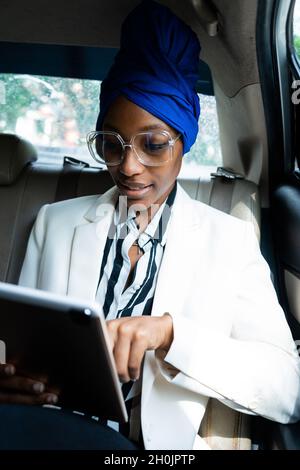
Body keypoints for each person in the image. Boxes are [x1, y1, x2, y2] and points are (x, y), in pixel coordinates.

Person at [1, 0, 300, 450]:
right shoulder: (55, 223)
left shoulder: (230, 242)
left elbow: (287, 393)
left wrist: (171, 334)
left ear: (184, 142)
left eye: (154, 145)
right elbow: (19, 346)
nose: (129, 168)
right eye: (111, 145)